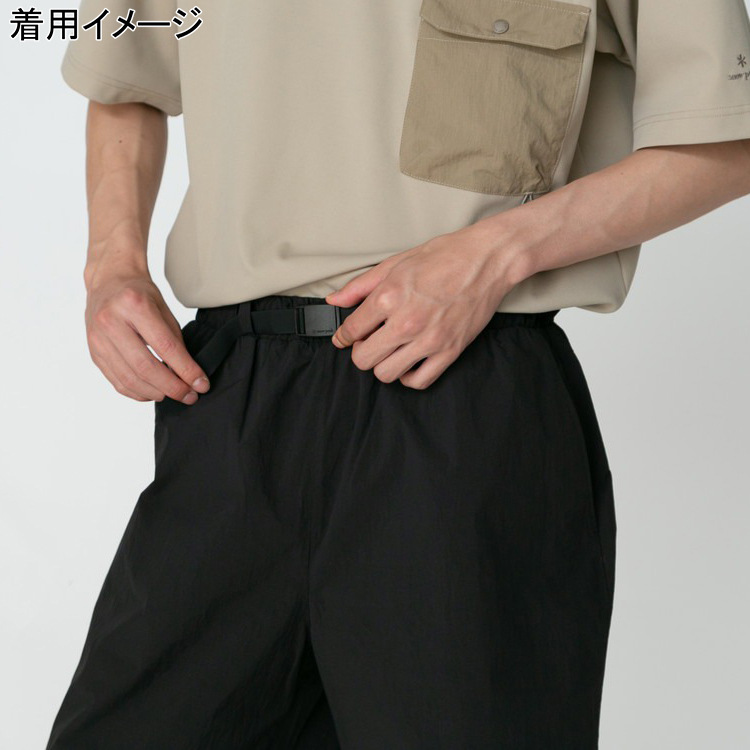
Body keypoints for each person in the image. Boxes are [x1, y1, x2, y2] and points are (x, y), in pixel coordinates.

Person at [46, 0, 750, 747]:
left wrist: (496, 254)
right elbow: (126, 78)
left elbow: (727, 137)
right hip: (230, 394)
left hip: (459, 399)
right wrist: (111, 265)